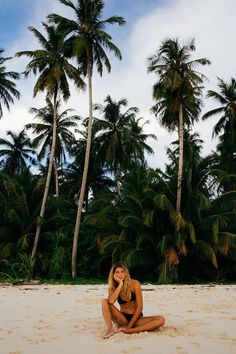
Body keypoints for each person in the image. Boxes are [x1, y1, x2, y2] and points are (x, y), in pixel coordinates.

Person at [101, 262, 165, 339]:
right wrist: (120, 284)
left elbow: (140, 307)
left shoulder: (135, 283)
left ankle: (131, 331)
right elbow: (111, 302)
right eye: (117, 272)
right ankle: (109, 330)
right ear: (114, 275)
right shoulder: (113, 286)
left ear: (126, 273)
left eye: (122, 272)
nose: (120, 274)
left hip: (136, 318)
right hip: (122, 318)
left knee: (160, 320)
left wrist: (129, 326)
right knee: (104, 301)